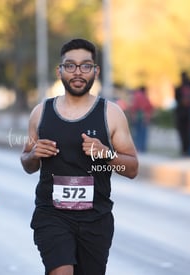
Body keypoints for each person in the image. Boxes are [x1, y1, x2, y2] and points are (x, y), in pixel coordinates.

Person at [20, 38, 138, 275]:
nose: (77, 72)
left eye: (85, 66)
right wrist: (34, 154)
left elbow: (132, 168)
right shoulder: (41, 112)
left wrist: (106, 155)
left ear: (95, 71)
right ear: (60, 70)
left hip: (96, 218)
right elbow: (27, 163)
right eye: (70, 65)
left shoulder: (111, 113)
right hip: (51, 214)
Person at [174, 72, 190, 156]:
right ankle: (189, 151)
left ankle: (187, 151)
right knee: (188, 134)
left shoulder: (180, 89)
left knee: (185, 134)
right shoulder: (189, 90)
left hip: (184, 115)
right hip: (187, 115)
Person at [129, 86, 154, 152]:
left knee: (137, 133)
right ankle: (143, 148)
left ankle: (138, 147)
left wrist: (132, 116)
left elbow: (134, 107)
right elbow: (150, 106)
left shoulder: (136, 96)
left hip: (137, 117)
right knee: (143, 133)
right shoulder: (145, 97)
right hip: (144, 117)